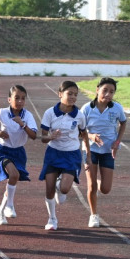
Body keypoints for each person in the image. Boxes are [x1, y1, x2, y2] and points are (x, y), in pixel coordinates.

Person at [39, 80, 87, 231]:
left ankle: (61, 186)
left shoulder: (79, 115)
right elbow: (43, 138)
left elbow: (84, 134)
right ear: (60, 94)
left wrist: (89, 154)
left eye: (75, 95)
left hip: (71, 154)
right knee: (49, 188)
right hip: (53, 153)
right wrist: (51, 136)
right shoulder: (50, 113)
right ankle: (52, 218)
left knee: (65, 189)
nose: (72, 97)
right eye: (69, 94)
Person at [80, 77, 128, 228]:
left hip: (108, 151)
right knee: (92, 187)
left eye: (111, 92)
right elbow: (79, 130)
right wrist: (91, 136)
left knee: (106, 189)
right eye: (105, 90)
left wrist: (117, 141)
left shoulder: (117, 109)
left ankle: (97, 181)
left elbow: (124, 122)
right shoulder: (87, 108)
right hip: (90, 150)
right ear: (97, 90)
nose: (108, 94)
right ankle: (94, 215)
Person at [0, 84, 37, 225]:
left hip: (19, 152)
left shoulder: (27, 115)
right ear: (9, 99)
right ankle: (10, 205)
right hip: (2, 151)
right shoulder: (1, 112)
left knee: (13, 180)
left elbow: (33, 135)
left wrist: (23, 125)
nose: (20, 101)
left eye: (23, 98)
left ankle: (1, 209)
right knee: (14, 175)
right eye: (17, 98)